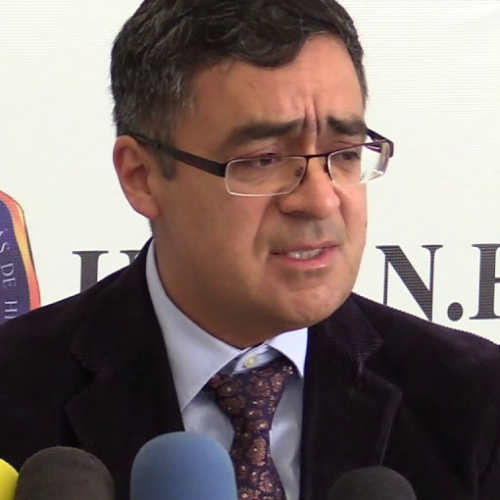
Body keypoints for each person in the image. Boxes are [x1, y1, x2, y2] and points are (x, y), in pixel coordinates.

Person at [0, 0, 499, 499]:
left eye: (345, 154)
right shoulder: (16, 388)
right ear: (142, 176)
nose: (321, 199)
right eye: (264, 160)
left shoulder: (476, 400)